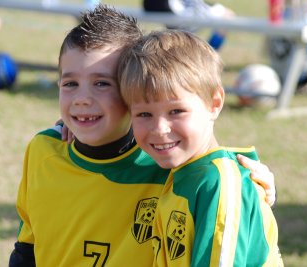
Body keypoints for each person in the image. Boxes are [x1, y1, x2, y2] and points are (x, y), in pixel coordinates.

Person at [9, 5, 277, 266]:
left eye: (102, 83)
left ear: (133, 91)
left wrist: (254, 185)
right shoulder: (43, 151)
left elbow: (214, 174)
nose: (82, 99)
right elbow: (26, 249)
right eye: (70, 84)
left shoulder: (167, 163)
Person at [118, 29, 283, 266]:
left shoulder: (218, 183)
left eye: (176, 111)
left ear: (214, 103)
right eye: (144, 114)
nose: (159, 128)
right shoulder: (182, 170)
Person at [143, 0, 234, 50]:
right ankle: (209, 53)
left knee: (227, 15)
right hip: (179, 10)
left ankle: (208, 53)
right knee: (227, 15)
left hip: (183, 10)